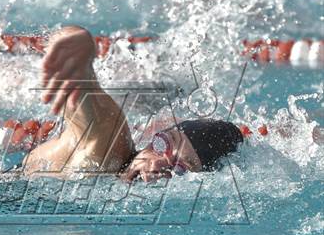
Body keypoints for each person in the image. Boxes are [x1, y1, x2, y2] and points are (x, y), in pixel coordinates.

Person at [22, 26, 244, 182]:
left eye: (181, 168)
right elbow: (87, 102)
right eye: (162, 145)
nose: (156, 164)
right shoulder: (110, 147)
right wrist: (77, 46)